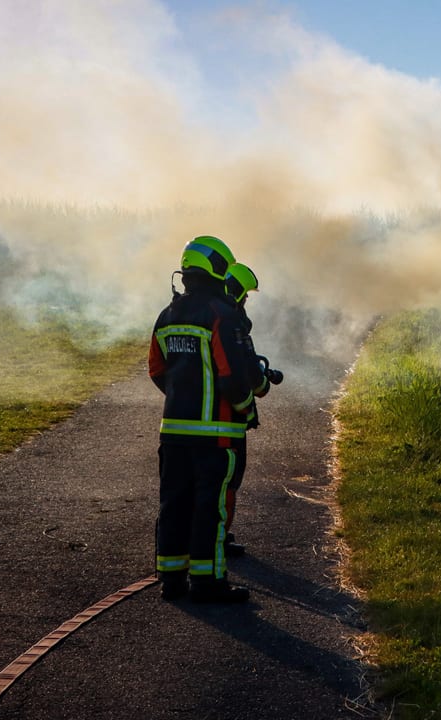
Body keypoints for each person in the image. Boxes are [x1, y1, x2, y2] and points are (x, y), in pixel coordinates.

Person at [148, 235, 267, 603]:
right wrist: (246, 409)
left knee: (174, 506)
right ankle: (208, 582)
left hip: (173, 433)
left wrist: (184, 397)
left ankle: (171, 579)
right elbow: (233, 377)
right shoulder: (221, 314)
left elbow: (156, 370)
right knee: (209, 510)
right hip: (215, 436)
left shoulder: (167, 315)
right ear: (218, 269)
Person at [218, 261, 270, 558]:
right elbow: (249, 377)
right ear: (237, 292)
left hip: (185, 422)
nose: (246, 301)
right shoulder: (232, 325)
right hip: (227, 425)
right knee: (227, 482)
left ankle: (196, 538)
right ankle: (218, 540)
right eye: (245, 295)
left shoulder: (195, 316)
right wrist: (260, 388)